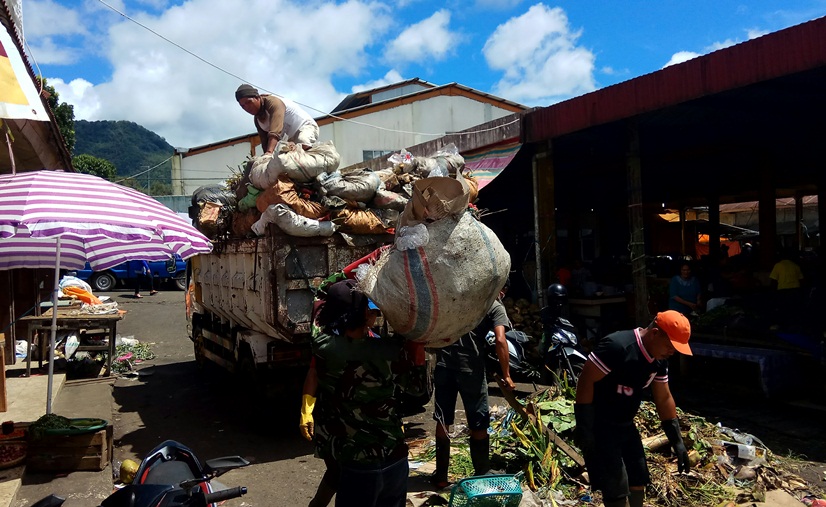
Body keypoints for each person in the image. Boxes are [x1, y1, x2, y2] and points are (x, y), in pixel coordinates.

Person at [310, 279, 425, 507]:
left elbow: (319, 295)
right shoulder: (391, 350)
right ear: (365, 312)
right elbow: (417, 388)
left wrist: (342, 277)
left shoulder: (324, 347)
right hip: (395, 457)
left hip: (358, 463)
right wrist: (417, 348)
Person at [575, 310, 692, 507]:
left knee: (638, 479)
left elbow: (663, 397)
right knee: (615, 485)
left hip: (626, 426)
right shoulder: (617, 346)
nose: (672, 352)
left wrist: (676, 440)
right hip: (601, 424)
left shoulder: (658, 360)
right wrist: (584, 427)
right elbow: (586, 382)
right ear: (655, 333)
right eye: (670, 345)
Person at [431, 278, 513, 489]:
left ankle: (440, 477)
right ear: (501, 290)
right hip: (471, 369)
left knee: (443, 419)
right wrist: (507, 374)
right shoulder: (493, 305)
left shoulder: (457, 299)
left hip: (443, 364)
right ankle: (482, 472)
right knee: (478, 419)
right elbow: (501, 340)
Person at [235, 84, 319, 153]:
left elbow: (275, 132)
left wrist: (269, 152)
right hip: (290, 140)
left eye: (249, 102)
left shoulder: (273, 103)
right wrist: (266, 157)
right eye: (242, 106)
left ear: (257, 98)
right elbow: (265, 143)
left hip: (306, 127)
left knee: (303, 141)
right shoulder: (258, 120)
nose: (247, 107)